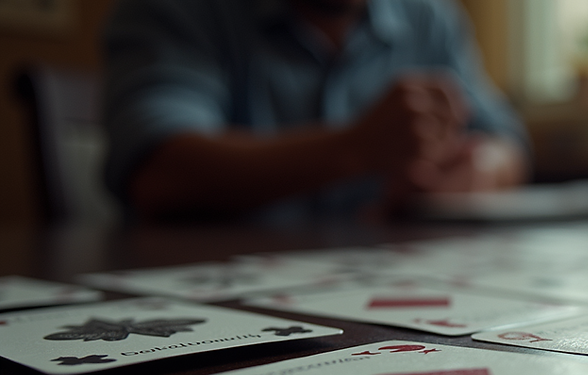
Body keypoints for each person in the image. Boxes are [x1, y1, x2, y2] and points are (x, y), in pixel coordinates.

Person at [103, 0, 529, 223]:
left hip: (385, 295)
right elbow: (158, 173)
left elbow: (507, 141)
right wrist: (356, 149)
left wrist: (479, 169)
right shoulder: (179, 9)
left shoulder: (429, 17)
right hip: (209, 309)